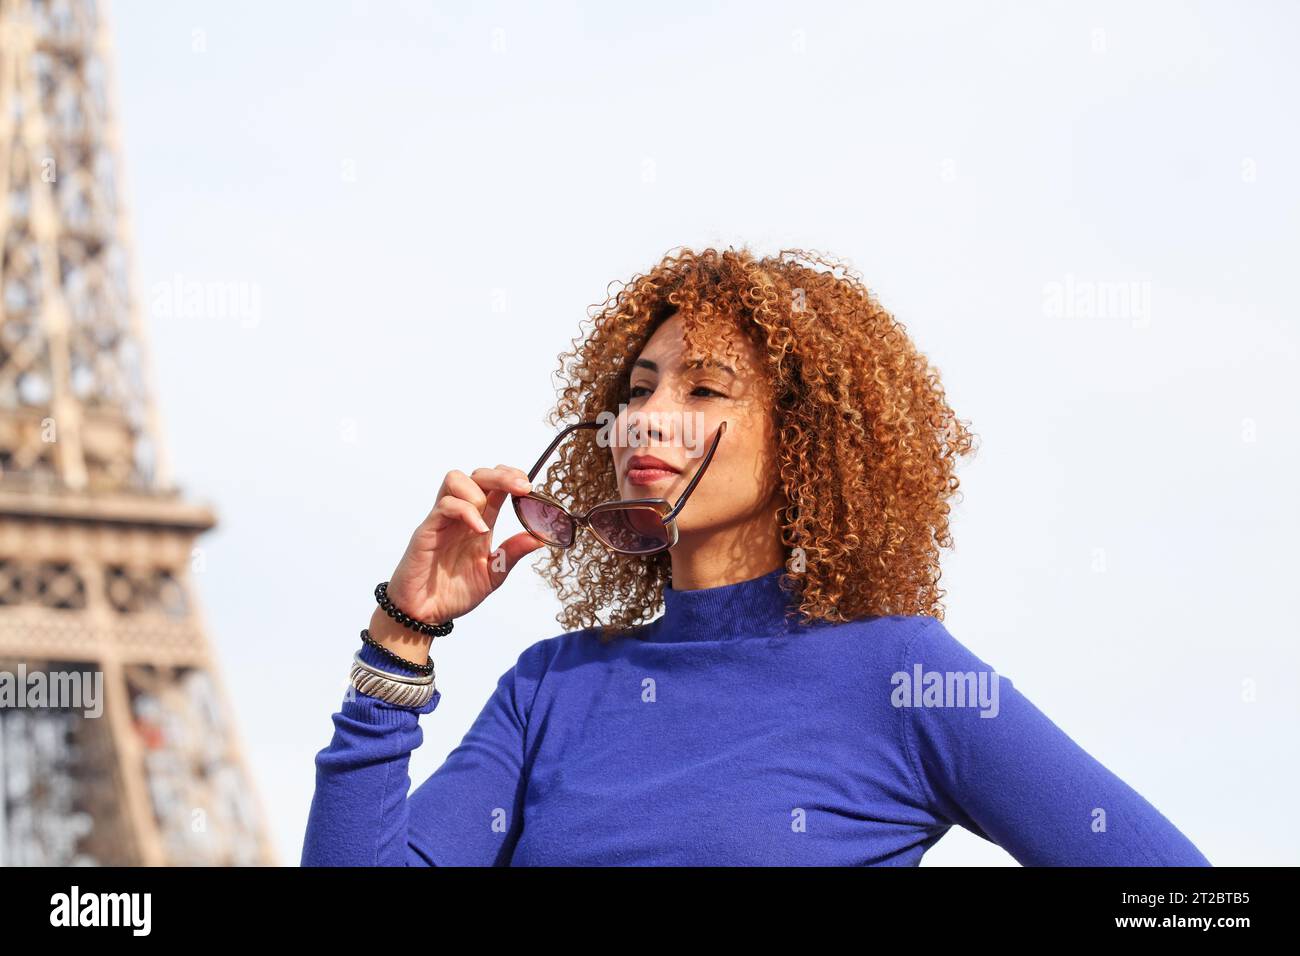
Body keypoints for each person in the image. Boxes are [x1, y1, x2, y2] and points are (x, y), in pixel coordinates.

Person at [301, 246, 1211, 866]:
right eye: (639, 388)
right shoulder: (551, 688)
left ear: (804, 439)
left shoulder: (900, 672)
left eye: (705, 388)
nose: (648, 416)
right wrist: (403, 635)